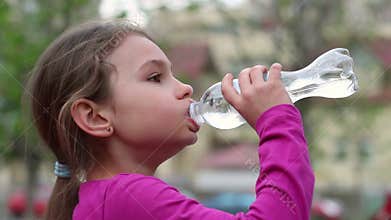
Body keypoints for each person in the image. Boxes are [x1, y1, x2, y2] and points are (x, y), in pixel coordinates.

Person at [26, 19, 315, 220]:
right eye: (155, 77)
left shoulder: (107, 200)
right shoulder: (126, 196)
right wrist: (277, 120)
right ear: (95, 117)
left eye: (173, 74)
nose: (186, 88)